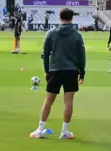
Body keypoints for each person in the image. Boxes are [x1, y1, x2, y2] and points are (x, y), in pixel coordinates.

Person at [30, 8, 86, 139]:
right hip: (71, 71)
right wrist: (82, 73)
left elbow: (45, 54)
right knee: (68, 102)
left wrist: (46, 70)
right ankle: (64, 131)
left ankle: (40, 129)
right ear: (72, 19)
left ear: (60, 18)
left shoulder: (51, 33)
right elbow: (81, 56)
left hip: (55, 70)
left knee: (49, 100)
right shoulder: (77, 35)